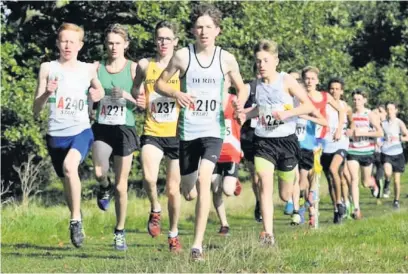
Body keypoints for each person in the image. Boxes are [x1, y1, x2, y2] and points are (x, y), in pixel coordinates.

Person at [155, 3, 248, 261]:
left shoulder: (226, 59)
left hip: (213, 130)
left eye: (209, 27)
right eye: (199, 27)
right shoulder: (183, 56)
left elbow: (242, 87)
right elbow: (160, 83)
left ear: (217, 30)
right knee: (189, 189)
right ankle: (193, 197)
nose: (204, 31)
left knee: (204, 179)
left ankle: (197, 246)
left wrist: (239, 102)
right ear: (193, 31)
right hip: (187, 131)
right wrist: (176, 93)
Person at [33, 23, 104, 248]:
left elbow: (99, 90)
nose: (68, 45)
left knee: (69, 167)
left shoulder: (87, 69)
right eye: (64, 40)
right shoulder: (47, 68)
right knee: (66, 182)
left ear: (80, 45)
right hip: (55, 135)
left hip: (81, 130)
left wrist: (97, 93)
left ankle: (75, 221)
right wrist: (47, 92)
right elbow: (36, 109)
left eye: (72, 41)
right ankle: (77, 213)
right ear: (57, 43)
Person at [242, 39, 315, 245]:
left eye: (265, 60)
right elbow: (260, 110)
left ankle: (294, 198)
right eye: (258, 61)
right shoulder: (256, 85)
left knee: (284, 195)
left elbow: (307, 106)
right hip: (264, 141)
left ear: (276, 61)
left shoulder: (286, 81)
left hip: (286, 142)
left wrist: (287, 113)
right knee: (264, 184)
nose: (261, 65)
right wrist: (245, 116)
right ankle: (268, 234)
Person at [132, 21, 182, 252]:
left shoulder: (183, 67)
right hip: (152, 131)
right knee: (149, 178)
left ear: (175, 42)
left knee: (174, 190)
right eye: (159, 38)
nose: (163, 43)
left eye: (167, 39)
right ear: (155, 41)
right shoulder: (145, 65)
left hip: (177, 134)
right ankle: (155, 209)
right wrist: (139, 99)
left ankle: (173, 234)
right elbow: (135, 89)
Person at [91, 24, 138, 250]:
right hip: (102, 126)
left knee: (122, 186)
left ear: (126, 45)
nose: (113, 47)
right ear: (105, 44)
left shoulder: (133, 69)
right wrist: (93, 98)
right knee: (99, 171)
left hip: (125, 129)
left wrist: (126, 94)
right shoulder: (96, 68)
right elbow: (89, 96)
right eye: (110, 43)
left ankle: (119, 231)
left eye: (118, 43)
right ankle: (103, 186)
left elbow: (142, 101)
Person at [299, 66, 345, 227]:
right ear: (303, 80)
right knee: (305, 175)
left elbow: (341, 110)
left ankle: (323, 206)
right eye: (307, 78)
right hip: (304, 139)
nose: (310, 81)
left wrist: (339, 128)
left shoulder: (325, 96)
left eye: (313, 78)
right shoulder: (300, 95)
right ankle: (310, 210)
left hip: (321, 139)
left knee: (316, 174)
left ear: (317, 81)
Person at [320, 77, 353, 223]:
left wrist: (349, 130)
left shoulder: (345, 106)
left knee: (334, 170)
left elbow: (352, 124)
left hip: (341, 143)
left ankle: (341, 202)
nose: (334, 91)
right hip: (325, 144)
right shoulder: (324, 104)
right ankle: (336, 208)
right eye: (331, 88)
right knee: (330, 179)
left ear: (342, 91)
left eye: (337, 89)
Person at [347, 90, 383, 219]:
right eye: (354, 99)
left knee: (365, 182)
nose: (356, 102)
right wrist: (348, 132)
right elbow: (346, 129)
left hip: (367, 151)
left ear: (364, 100)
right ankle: (356, 209)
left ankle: (373, 184)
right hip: (352, 150)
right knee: (353, 179)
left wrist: (362, 133)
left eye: (359, 99)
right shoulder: (349, 114)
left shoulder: (370, 114)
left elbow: (380, 133)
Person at [212, 92, 242, 236]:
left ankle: (234, 180)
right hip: (213, 150)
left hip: (231, 152)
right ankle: (224, 224)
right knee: (215, 187)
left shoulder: (234, 100)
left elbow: (242, 119)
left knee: (228, 191)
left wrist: (239, 112)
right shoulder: (209, 98)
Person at [380, 102, 408, 208]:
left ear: (396, 110)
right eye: (387, 109)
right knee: (387, 173)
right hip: (386, 152)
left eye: (391, 109)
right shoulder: (383, 123)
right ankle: (387, 183)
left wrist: (399, 138)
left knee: (397, 180)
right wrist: (380, 140)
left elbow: (407, 136)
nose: (389, 111)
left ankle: (396, 200)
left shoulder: (399, 122)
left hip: (398, 153)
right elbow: (380, 136)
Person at [372, 105, 387, 197]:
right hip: (371, 150)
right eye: (375, 113)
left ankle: (381, 188)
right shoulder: (371, 124)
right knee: (371, 172)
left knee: (379, 170)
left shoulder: (385, 125)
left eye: (379, 112)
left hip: (382, 151)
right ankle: (374, 186)